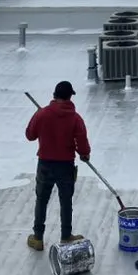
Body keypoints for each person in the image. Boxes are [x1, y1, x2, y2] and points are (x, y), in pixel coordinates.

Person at [25, 80, 91, 251]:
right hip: (65, 165)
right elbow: (82, 141)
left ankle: (38, 238)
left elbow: (30, 135)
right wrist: (84, 154)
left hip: (45, 164)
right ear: (70, 97)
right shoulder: (75, 118)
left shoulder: (43, 114)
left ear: (54, 95)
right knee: (66, 201)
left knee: (41, 200)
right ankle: (66, 235)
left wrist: (37, 116)